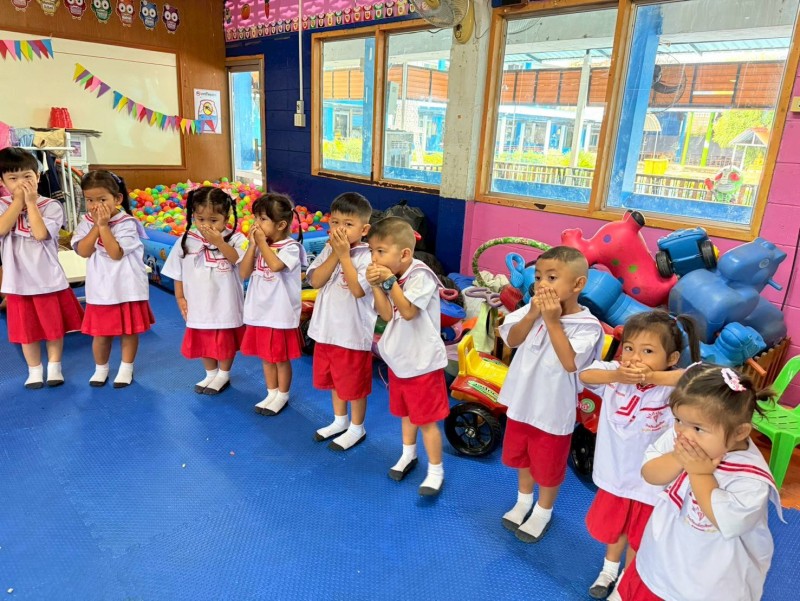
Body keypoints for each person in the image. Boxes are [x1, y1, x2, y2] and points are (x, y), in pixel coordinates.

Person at [610, 364, 782, 601]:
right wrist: (677, 458)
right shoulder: (681, 438)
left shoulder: (751, 480)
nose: (683, 433)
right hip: (659, 562)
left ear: (740, 432)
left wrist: (700, 474)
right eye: (678, 420)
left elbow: (728, 521)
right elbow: (649, 473)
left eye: (698, 428)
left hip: (706, 586)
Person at [579, 311, 700, 599]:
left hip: (652, 483)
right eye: (630, 348)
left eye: (648, 351)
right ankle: (609, 569)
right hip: (617, 473)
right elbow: (585, 374)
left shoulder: (671, 389)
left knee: (640, 535)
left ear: (671, 358)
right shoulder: (615, 375)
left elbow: (696, 375)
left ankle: (626, 580)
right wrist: (618, 374)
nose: (635, 357)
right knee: (615, 527)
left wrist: (652, 376)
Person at [498, 246, 604, 543]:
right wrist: (533, 313)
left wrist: (553, 321)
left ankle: (543, 511)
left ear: (578, 284)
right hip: (522, 402)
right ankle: (523, 501)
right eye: (539, 277)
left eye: (552, 277)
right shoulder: (531, 310)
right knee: (522, 456)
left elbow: (570, 362)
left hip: (553, 411)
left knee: (548, 466)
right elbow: (512, 339)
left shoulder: (588, 326)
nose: (542, 284)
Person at [367, 217, 449, 496]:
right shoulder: (392, 275)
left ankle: (436, 470)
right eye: (372, 251)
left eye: (380, 251)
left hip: (422, 362)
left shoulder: (421, 275)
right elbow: (386, 314)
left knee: (426, 420)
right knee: (406, 413)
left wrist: (389, 282)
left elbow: (409, 311)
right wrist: (376, 285)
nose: (374, 258)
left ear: (404, 254)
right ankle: (408, 454)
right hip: (399, 359)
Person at [0, 147, 84, 388]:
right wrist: (18, 202)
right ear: (2, 182)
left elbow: (39, 233)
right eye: (13, 178)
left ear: (38, 177)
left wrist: (31, 204)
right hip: (17, 283)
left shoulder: (51, 206)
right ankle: (34, 370)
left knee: (53, 328)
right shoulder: (2, 205)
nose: (21, 183)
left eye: (27, 176)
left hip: (48, 280)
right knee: (26, 332)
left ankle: (55, 366)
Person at [306, 192, 376, 451]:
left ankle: (357, 428)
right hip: (327, 330)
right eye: (335, 222)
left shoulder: (370, 257)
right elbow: (315, 281)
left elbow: (357, 290)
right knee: (335, 380)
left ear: (364, 229)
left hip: (352, 334)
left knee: (353, 385)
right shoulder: (329, 249)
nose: (340, 229)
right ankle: (340, 420)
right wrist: (336, 254)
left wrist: (345, 256)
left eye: (348, 224)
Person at [72, 170, 154, 388]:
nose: (95, 206)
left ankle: (127, 367)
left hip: (127, 287)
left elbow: (115, 253)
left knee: (128, 331)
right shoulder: (85, 222)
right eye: (90, 200)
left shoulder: (128, 223)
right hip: (101, 289)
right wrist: (96, 226)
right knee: (100, 334)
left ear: (117, 199)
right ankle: (101, 368)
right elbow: (83, 251)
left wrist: (103, 226)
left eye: (102, 199)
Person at [161, 186, 246, 394]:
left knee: (225, 340)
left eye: (213, 220)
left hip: (225, 302)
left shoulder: (236, 239)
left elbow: (240, 261)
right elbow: (177, 271)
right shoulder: (186, 240)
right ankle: (210, 373)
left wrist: (219, 242)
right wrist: (180, 297)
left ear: (226, 218)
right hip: (198, 303)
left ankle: (223, 374)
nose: (206, 225)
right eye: (200, 219)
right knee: (203, 338)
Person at [240, 193, 306, 416]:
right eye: (256, 218)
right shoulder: (260, 245)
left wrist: (261, 243)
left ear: (281, 224)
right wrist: (252, 246)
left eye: (262, 219)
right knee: (266, 357)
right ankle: (271, 392)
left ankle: (282, 395)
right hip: (260, 312)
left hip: (280, 313)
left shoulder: (291, 247)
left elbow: (276, 265)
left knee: (280, 358)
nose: (256, 224)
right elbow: (243, 273)